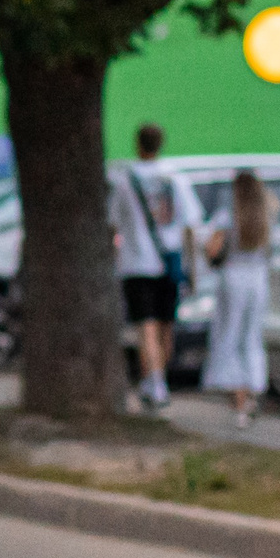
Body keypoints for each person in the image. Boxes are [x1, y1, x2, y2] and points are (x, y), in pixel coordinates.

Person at [110, 121, 205, 410]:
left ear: (138, 144)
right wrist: (192, 268)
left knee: (146, 327)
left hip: (137, 263)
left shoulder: (125, 181)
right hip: (170, 261)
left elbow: (113, 224)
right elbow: (190, 225)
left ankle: (154, 382)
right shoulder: (176, 178)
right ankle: (157, 380)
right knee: (166, 327)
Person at [202, 169, 276, 428]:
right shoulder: (266, 215)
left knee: (230, 334)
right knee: (252, 336)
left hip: (234, 275)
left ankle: (240, 399)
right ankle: (254, 387)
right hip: (258, 277)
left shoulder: (227, 216)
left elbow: (212, 249)